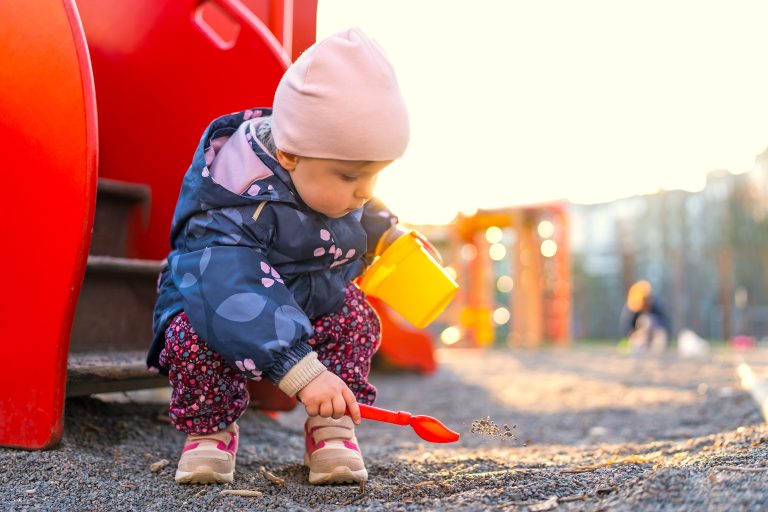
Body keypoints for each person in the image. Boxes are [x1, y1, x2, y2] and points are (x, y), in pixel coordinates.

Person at [148, 28, 415, 486]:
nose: (365, 192)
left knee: (353, 316)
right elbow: (232, 291)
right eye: (353, 176)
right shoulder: (233, 198)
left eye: (375, 175)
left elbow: (363, 208)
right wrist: (302, 371)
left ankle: (333, 426)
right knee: (191, 338)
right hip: (217, 302)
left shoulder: (326, 170)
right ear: (289, 156)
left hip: (309, 293)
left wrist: (388, 235)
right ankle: (210, 430)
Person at [619, 280, 670, 354]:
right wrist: (632, 334)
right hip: (640, 337)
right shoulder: (631, 310)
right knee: (644, 321)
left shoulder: (656, 306)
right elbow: (626, 327)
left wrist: (655, 325)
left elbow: (666, 324)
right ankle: (641, 347)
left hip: (655, 335)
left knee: (649, 321)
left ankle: (654, 349)